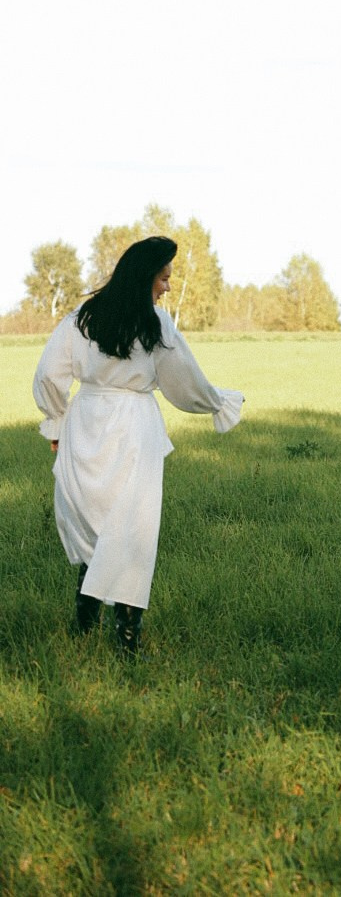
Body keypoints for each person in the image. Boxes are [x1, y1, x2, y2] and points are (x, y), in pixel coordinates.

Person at [32, 235, 244, 656]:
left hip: (85, 424)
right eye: (164, 278)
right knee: (132, 530)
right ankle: (127, 644)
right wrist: (217, 402)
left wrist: (57, 422)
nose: (167, 286)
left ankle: (85, 625)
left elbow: (48, 375)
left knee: (93, 523)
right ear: (146, 275)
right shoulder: (156, 324)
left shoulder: (81, 318)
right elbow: (184, 382)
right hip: (133, 429)